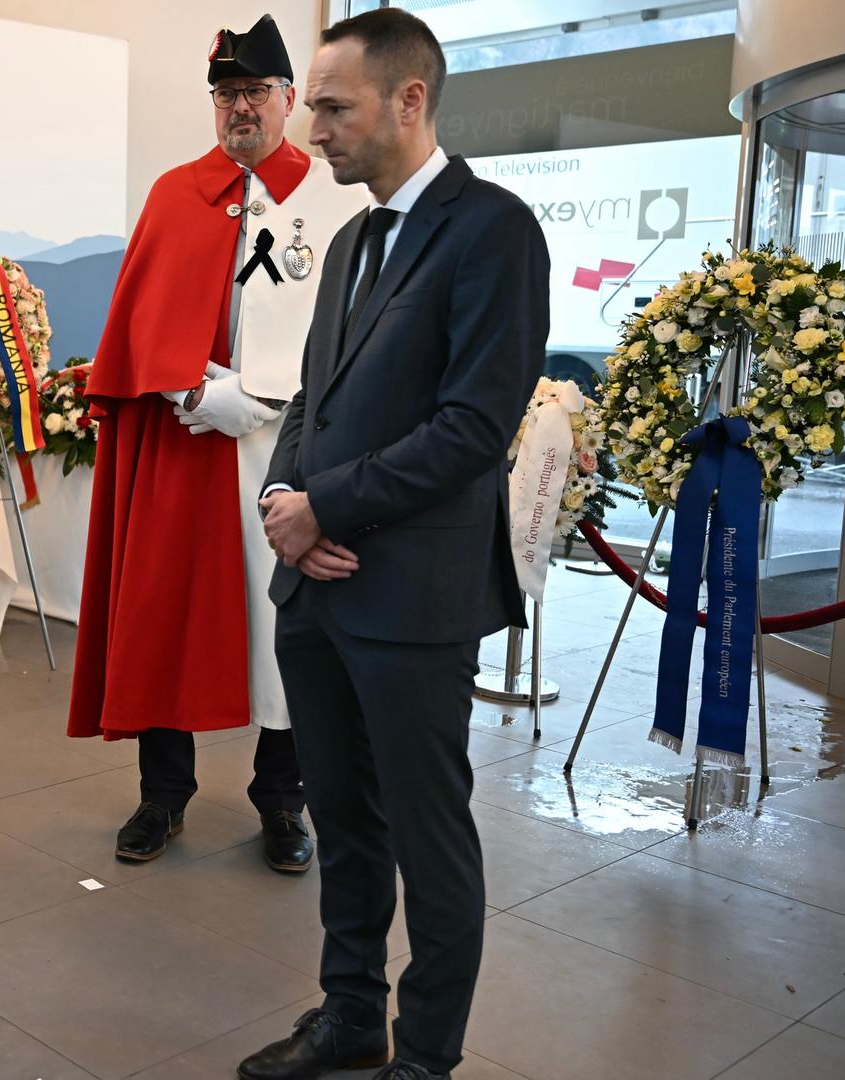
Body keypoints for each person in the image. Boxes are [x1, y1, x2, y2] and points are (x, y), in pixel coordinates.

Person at [239, 9, 547, 1080]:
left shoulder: (494, 230)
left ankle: (424, 1057)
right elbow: (311, 404)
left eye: (332, 105)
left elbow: (472, 427)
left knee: (428, 838)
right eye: (313, 104)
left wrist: (331, 510)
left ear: (409, 101)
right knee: (345, 824)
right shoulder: (360, 239)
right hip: (318, 590)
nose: (310, 126)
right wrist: (288, 492)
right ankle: (350, 1015)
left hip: (412, 599)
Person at [66, 14, 367, 872]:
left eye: (254, 93)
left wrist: (264, 399)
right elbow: (142, 321)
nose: (239, 108)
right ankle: (162, 796)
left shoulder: (332, 196)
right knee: (165, 612)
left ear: (286, 99)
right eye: (225, 94)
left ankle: (282, 801)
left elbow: (347, 332)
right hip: (185, 439)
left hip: (290, 448)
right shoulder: (174, 193)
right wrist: (197, 390)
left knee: (289, 630)